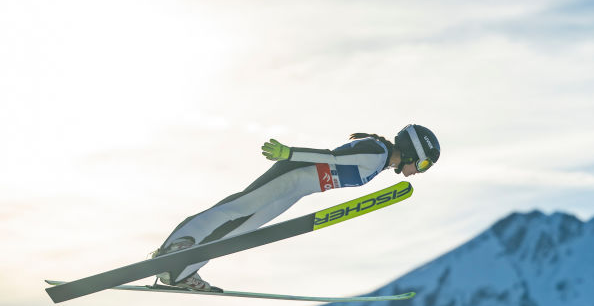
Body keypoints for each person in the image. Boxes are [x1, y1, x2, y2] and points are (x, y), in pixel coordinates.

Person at [149, 124, 440, 292]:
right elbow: (332, 157)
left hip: (298, 189)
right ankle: (172, 249)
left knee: (242, 228)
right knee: (237, 208)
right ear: (414, 151)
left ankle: (181, 271)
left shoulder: (379, 162)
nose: (419, 171)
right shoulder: (376, 151)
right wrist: (290, 153)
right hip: (294, 174)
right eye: (423, 164)